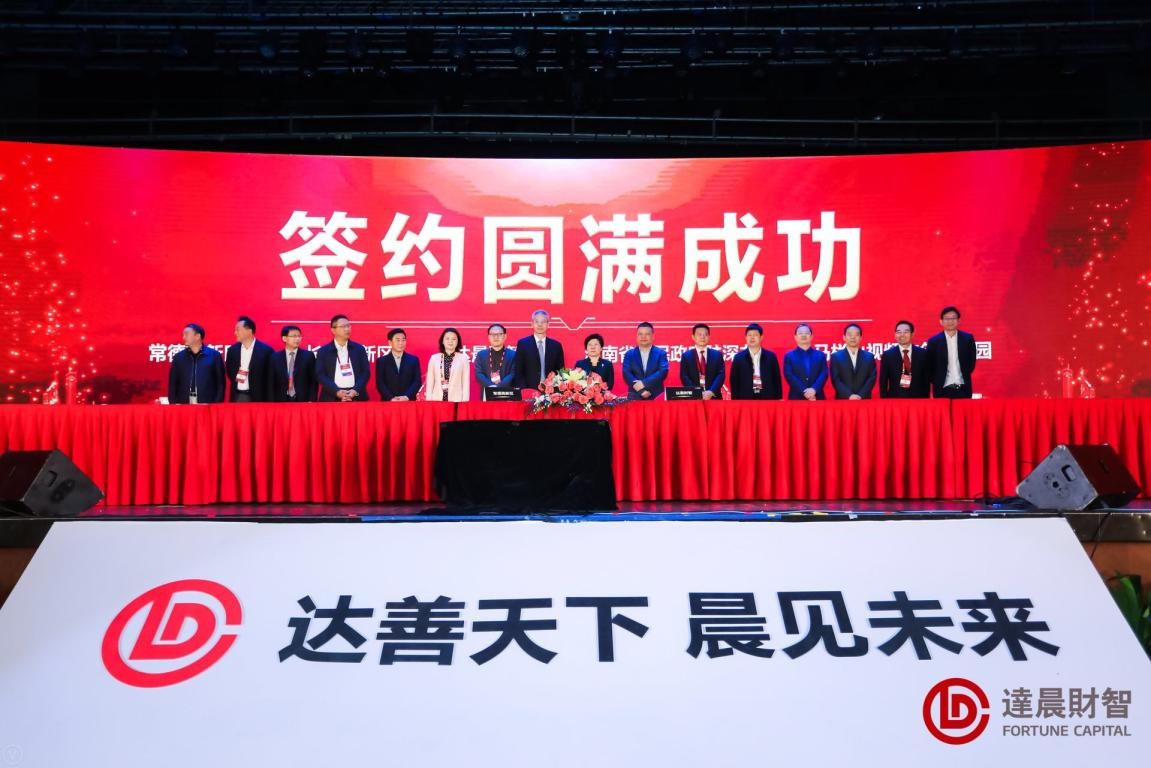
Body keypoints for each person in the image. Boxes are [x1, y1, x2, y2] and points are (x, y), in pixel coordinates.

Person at [315, 314, 370, 402]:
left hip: (356, 397)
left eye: (348, 326)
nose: (347, 329)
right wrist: (336, 392)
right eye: (343, 326)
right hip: (331, 397)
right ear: (333, 330)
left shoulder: (359, 349)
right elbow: (320, 375)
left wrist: (355, 390)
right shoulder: (323, 351)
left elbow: (365, 372)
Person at [925, 305, 977, 398]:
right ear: (941, 321)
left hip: (963, 387)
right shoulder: (933, 341)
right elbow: (929, 366)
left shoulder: (968, 339)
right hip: (942, 388)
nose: (950, 321)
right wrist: (937, 381)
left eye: (953, 318)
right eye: (947, 318)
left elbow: (971, 363)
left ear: (959, 320)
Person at [167, 323, 225, 404]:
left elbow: (220, 383)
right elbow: (172, 385)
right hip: (183, 404)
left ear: (197, 336)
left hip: (207, 404)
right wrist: (173, 403)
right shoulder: (178, 357)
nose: (183, 337)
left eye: (186, 334)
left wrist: (217, 404)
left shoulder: (214, 356)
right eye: (183, 335)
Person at [225, 315, 275, 402]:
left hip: (259, 398)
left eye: (238, 330)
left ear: (249, 330)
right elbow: (230, 372)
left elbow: (270, 377)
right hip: (237, 396)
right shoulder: (232, 350)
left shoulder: (266, 351)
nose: (235, 333)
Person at [513, 309, 564, 391]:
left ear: (548, 324)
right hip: (529, 391)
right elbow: (518, 371)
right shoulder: (523, 344)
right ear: (532, 324)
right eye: (536, 321)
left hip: (551, 391)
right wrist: (524, 391)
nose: (540, 324)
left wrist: (556, 390)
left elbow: (560, 372)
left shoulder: (556, 345)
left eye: (543, 322)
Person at [729, 323, 782, 400]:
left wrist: (778, 398)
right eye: (749, 335)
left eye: (755, 335)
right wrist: (735, 400)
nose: (752, 337)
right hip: (745, 398)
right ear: (746, 337)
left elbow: (776, 379)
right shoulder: (738, 358)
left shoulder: (771, 357)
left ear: (761, 337)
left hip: (767, 397)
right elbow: (734, 381)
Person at [879, 320, 930, 398]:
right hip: (895, 399)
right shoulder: (888, 355)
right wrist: (884, 401)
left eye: (906, 332)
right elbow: (883, 381)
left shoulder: (922, 353)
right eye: (899, 332)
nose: (902, 335)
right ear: (895, 335)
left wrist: (926, 400)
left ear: (912, 334)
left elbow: (926, 380)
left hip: (918, 399)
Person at [621, 322, 669, 400]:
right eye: (640, 334)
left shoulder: (661, 353)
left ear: (653, 336)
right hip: (635, 396)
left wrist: (643, 383)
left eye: (647, 334)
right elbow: (627, 373)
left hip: (655, 396)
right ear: (636, 336)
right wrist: (641, 391)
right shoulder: (629, 354)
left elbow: (662, 372)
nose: (643, 337)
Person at [829, 323, 877, 400]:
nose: (853, 337)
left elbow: (871, 379)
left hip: (864, 400)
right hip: (843, 400)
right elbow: (836, 380)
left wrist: (860, 395)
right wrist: (849, 395)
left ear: (861, 338)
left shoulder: (869, 357)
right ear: (844, 337)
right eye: (849, 334)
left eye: (856, 335)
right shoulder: (836, 357)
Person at [271, 325, 316, 402]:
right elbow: (271, 382)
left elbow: (313, 381)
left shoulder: (308, 356)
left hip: (303, 400)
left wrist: (311, 400)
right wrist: (271, 401)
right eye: (294, 336)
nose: (297, 339)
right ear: (284, 338)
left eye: (299, 336)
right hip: (280, 399)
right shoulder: (274, 357)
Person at [678, 323, 725, 399]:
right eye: (699, 334)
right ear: (693, 337)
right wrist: (696, 392)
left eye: (705, 334)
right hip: (693, 398)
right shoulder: (686, 356)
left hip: (713, 397)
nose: (702, 337)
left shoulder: (717, 355)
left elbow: (720, 375)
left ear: (709, 337)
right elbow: (684, 376)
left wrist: (711, 391)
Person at [783, 323, 828, 401]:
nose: (803, 335)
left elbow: (823, 374)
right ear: (795, 337)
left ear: (811, 336)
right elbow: (789, 376)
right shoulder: (789, 356)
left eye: (807, 333)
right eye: (800, 333)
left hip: (817, 397)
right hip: (796, 398)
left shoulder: (821, 355)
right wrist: (805, 392)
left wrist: (814, 389)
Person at [425, 327, 471, 402]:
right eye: (447, 338)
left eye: (454, 339)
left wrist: (464, 402)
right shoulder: (434, 358)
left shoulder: (463, 359)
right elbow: (430, 383)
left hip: (456, 401)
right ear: (442, 341)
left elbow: (465, 383)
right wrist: (429, 401)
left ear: (458, 342)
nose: (450, 341)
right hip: (437, 400)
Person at [375, 327, 422, 401]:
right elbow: (380, 383)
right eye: (398, 340)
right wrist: (390, 398)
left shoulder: (413, 360)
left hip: (408, 402)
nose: (401, 343)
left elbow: (417, 381)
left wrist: (406, 397)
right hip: (388, 402)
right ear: (390, 342)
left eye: (403, 340)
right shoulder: (381, 361)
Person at [473, 323, 517, 399]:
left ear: (505, 336)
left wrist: (499, 387)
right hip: (487, 393)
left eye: (499, 334)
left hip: (507, 393)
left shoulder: (513, 355)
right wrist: (491, 386)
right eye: (492, 334)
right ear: (488, 337)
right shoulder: (481, 354)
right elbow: (479, 374)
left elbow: (513, 374)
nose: (496, 337)